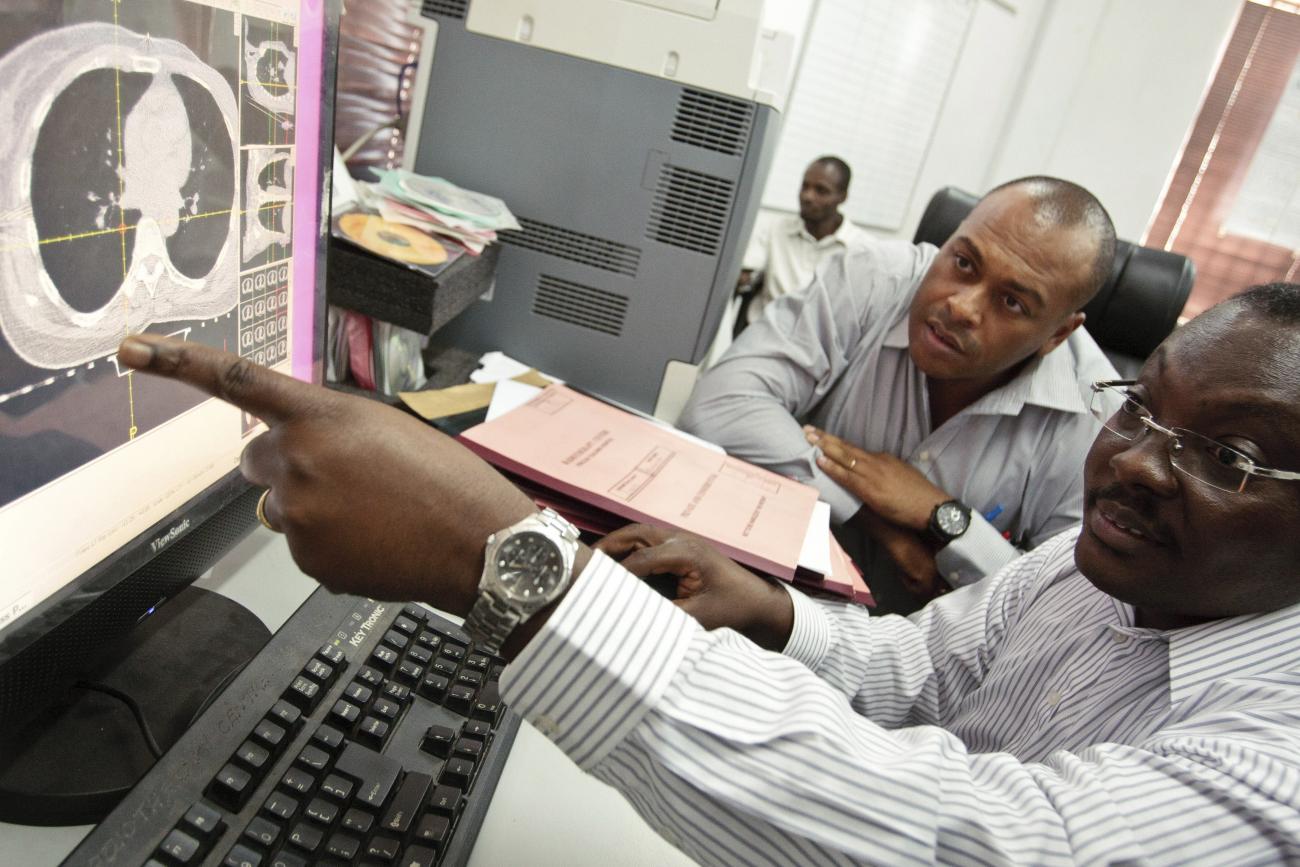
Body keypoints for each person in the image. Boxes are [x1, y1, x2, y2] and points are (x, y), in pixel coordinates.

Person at [116, 282, 1300, 863]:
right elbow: (919, 670)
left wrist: (511, 568)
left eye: (1229, 457)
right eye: (1140, 410)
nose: (1136, 465)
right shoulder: (1094, 575)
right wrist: (781, 616)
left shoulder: (1279, 761)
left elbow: (988, 840)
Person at [681, 175, 1119, 613]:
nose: (961, 307)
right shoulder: (872, 277)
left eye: (1012, 303)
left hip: (914, 663)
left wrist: (947, 519)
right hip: (762, 590)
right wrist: (876, 518)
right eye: (964, 263)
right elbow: (719, 404)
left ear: (1058, 334)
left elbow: (1061, 609)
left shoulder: (1097, 421)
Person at [737, 155, 872, 327]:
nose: (808, 196)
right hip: (765, 332)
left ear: (842, 197)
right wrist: (743, 278)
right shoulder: (775, 228)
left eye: (821, 191)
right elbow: (746, 272)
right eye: (805, 186)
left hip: (817, 343)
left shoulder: (861, 249)